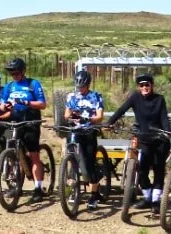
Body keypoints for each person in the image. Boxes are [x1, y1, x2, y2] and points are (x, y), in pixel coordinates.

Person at [106, 74, 170, 212]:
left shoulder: (159, 99)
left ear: (152, 85)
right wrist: (110, 122)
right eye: (141, 85)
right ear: (138, 87)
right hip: (144, 139)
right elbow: (122, 110)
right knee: (141, 170)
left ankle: (156, 200)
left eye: (147, 85)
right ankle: (147, 197)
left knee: (158, 169)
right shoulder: (135, 97)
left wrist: (167, 132)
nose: (144, 87)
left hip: (159, 139)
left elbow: (164, 117)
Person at [0, 58, 49, 201]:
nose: (14, 76)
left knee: (33, 155)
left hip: (31, 121)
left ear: (23, 71)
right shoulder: (9, 86)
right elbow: (2, 104)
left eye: (16, 73)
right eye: (12, 74)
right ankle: (17, 188)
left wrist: (27, 102)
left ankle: (38, 188)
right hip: (15, 120)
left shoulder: (33, 84)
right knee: (17, 154)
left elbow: (42, 104)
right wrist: (5, 106)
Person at [64, 70, 106, 208]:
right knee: (72, 160)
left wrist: (87, 119)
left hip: (89, 130)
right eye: (78, 86)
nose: (80, 89)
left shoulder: (96, 96)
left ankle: (94, 195)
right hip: (75, 130)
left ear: (88, 85)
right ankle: (73, 189)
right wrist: (72, 116)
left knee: (89, 163)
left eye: (82, 86)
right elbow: (66, 114)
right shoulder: (71, 96)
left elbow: (100, 116)